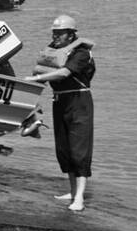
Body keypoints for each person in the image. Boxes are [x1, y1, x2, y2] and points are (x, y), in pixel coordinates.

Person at [25, 14, 95, 211]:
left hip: (79, 102)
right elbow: (42, 74)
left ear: (71, 35)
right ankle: (72, 192)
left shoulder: (81, 53)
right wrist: (28, 86)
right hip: (60, 101)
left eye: (60, 33)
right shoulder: (54, 51)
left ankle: (79, 198)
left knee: (79, 150)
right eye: (54, 33)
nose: (55, 37)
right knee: (64, 150)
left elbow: (63, 73)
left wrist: (36, 78)